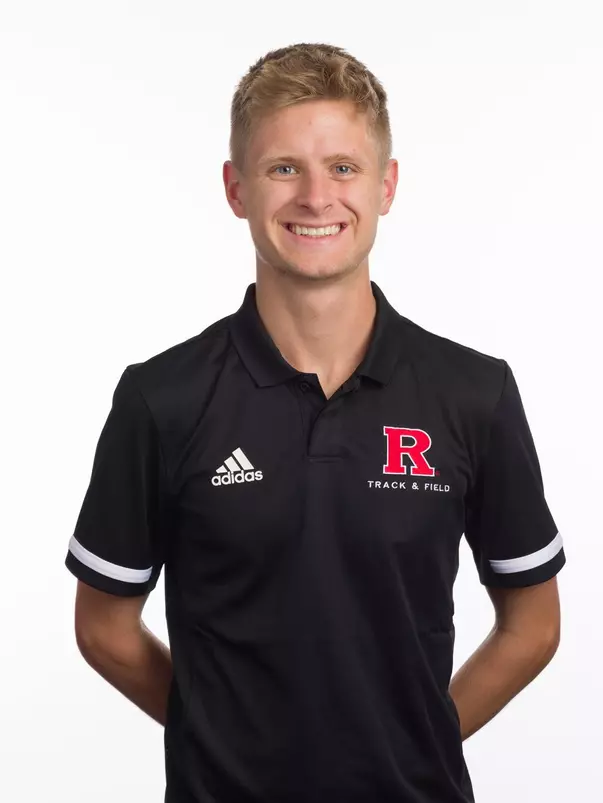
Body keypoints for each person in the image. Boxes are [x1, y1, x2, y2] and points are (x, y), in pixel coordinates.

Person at [65, 42, 566, 803]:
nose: (314, 196)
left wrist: (416, 736)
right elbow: (103, 627)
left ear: (386, 185)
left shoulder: (472, 393)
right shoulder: (160, 399)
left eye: (342, 166)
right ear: (235, 188)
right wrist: (218, 736)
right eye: (282, 168)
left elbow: (532, 624)